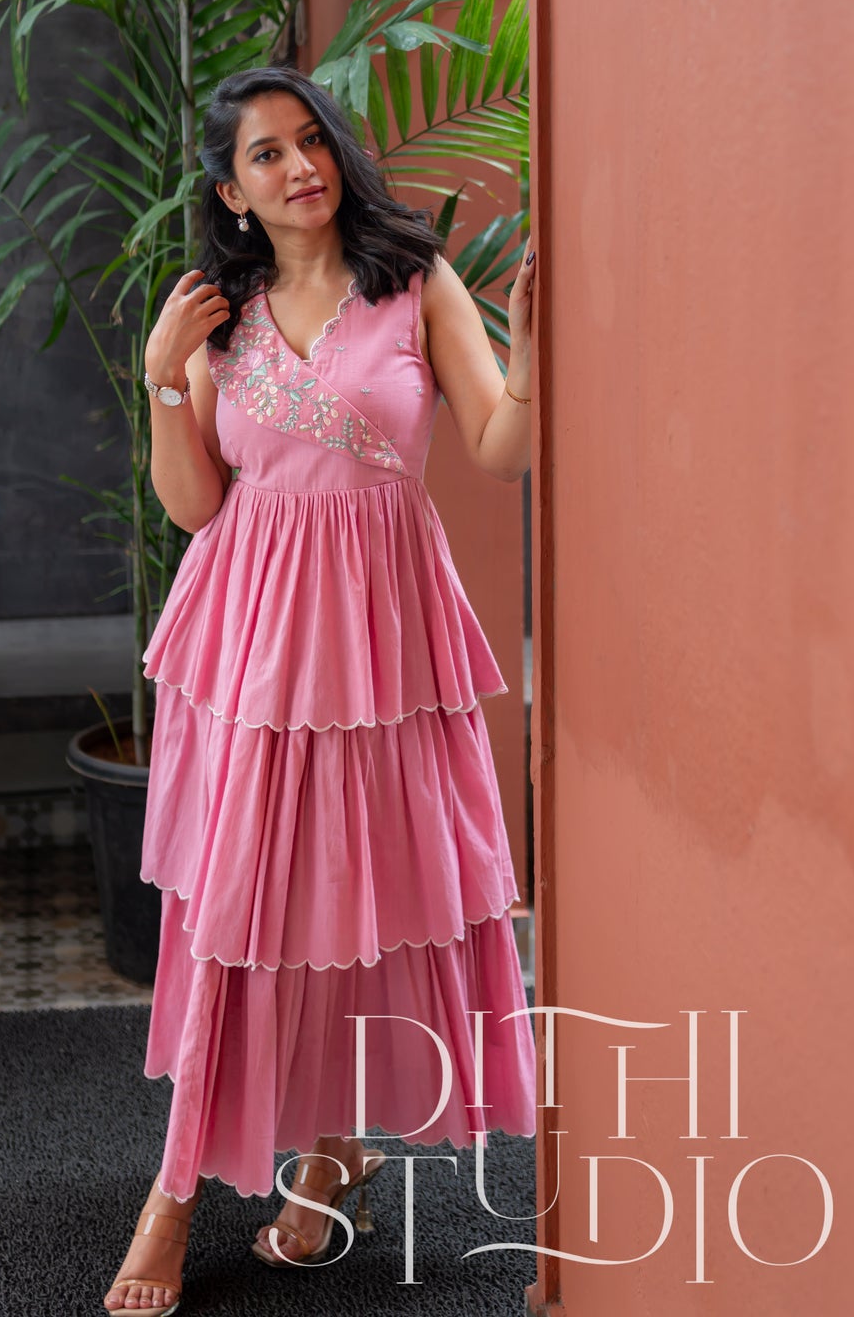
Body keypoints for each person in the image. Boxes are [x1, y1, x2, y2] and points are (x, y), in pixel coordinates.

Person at [101, 64, 538, 1313]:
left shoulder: (414, 284)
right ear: (230, 194)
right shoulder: (216, 317)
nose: (298, 168)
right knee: (243, 910)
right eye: (264, 156)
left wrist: (539, 354)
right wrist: (159, 377)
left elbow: (500, 447)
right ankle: (175, 1191)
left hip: (384, 646)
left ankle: (337, 1148)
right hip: (248, 649)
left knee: (364, 895)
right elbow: (193, 506)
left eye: (309, 142)